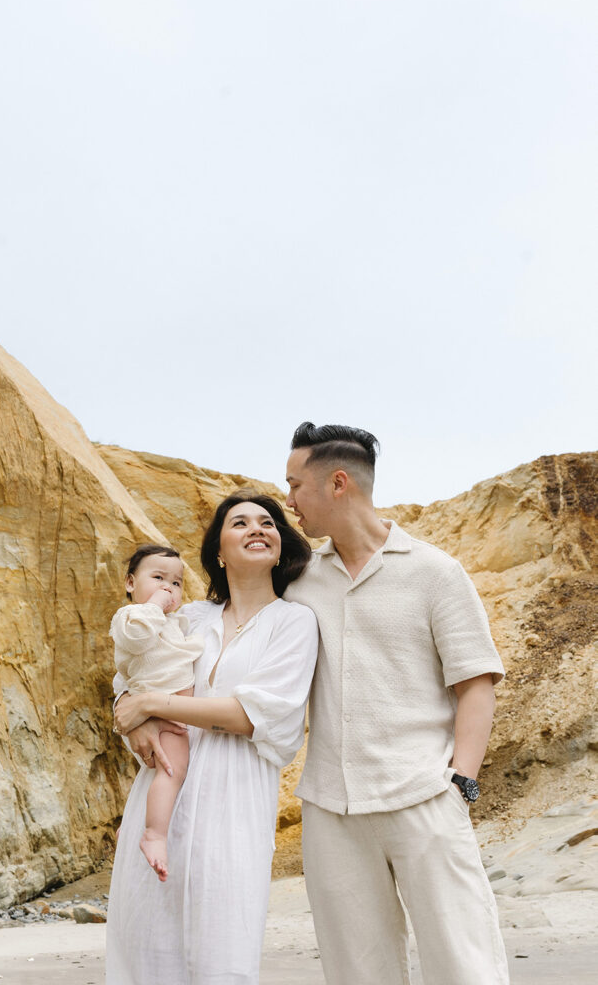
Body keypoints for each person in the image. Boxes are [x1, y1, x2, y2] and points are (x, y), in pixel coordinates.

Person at [284, 421, 510, 985]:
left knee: (465, 963)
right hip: (330, 810)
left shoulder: (436, 572)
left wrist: (461, 783)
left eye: (295, 485)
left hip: (423, 797)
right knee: (357, 972)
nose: (288, 502)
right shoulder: (299, 582)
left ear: (338, 483)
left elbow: (475, 683)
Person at [106, 494, 319, 985]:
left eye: (267, 522)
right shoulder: (190, 616)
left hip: (236, 794)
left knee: (222, 944)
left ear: (281, 545)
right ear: (218, 550)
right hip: (164, 787)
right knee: (148, 942)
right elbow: (131, 677)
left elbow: (251, 716)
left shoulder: (295, 622)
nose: (256, 528)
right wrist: (132, 714)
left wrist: (151, 706)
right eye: (239, 522)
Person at [110, 544, 204, 881]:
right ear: (131, 583)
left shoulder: (174, 621)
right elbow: (135, 640)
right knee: (172, 770)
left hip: (167, 709)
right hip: (158, 715)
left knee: (165, 774)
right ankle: (153, 834)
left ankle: (133, 826)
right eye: (158, 578)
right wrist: (153, 606)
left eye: (176, 583)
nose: (168, 588)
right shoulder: (130, 617)